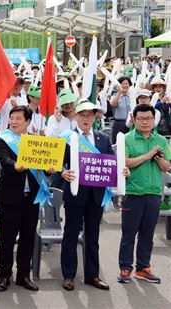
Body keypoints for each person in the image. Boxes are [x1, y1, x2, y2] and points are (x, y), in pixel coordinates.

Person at [59, 100, 130, 291]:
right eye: (82, 114)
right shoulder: (67, 138)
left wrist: (121, 172)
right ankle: (68, 275)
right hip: (75, 193)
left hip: (96, 195)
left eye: (89, 115)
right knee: (71, 234)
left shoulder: (103, 139)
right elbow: (58, 163)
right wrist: (62, 172)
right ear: (75, 116)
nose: (85, 118)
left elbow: (110, 165)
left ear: (95, 117)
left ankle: (92, 275)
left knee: (93, 236)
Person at [0, 105, 49, 292]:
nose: (14, 121)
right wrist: (15, 165)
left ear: (27, 122)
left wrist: (50, 167)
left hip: (31, 198)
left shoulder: (36, 141)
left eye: (19, 118)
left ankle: (24, 275)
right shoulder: (3, 139)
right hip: (9, 197)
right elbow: (3, 159)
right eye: (12, 118)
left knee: (28, 238)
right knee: (7, 239)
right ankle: (4, 275)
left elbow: (46, 164)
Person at [117, 104, 171, 284]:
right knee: (129, 233)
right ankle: (125, 268)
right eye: (141, 119)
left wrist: (158, 158)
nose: (145, 122)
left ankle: (143, 268)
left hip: (154, 192)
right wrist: (148, 155)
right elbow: (125, 162)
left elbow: (166, 167)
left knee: (147, 234)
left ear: (154, 119)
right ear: (133, 119)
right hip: (132, 192)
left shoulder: (161, 140)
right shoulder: (126, 138)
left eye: (149, 118)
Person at [109, 76, 133, 143]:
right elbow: (113, 104)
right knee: (118, 143)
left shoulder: (132, 96)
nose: (125, 85)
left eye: (126, 84)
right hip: (119, 124)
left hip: (131, 123)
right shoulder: (115, 95)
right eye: (122, 83)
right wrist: (119, 93)